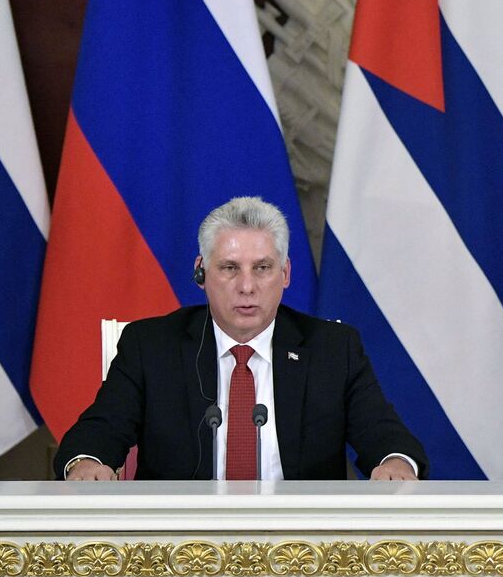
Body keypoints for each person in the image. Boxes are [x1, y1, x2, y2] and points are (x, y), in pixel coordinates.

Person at [55, 197, 426, 481]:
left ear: (285, 274)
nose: (247, 287)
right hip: (179, 547)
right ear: (201, 273)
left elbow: (385, 436)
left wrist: (394, 462)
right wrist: (88, 461)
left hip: (302, 549)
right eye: (229, 268)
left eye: (262, 269)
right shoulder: (151, 346)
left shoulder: (332, 349)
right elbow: (98, 432)